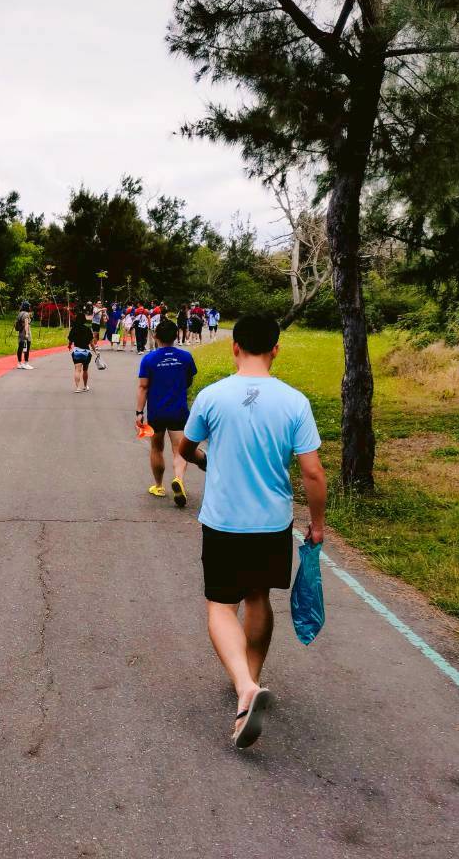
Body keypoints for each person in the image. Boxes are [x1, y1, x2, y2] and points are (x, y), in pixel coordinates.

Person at [176, 313, 327, 750]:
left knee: (222, 605)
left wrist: (203, 459)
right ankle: (252, 678)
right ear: (276, 349)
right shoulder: (294, 402)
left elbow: (186, 447)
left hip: (223, 521)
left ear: (234, 347)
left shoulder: (212, 396)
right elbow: (312, 472)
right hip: (272, 523)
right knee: (258, 597)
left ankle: (244, 686)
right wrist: (317, 525)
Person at [136, 318, 197, 506]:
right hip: (178, 410)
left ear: (155, 336)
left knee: (156, 448)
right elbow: (189, 380)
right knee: (179, 449)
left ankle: (159, 486)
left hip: (156, 412)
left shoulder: (148, 359)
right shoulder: (185, 357)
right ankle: (178, 479)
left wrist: (139, 412)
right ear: (176, 335)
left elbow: (143, 387)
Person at [67, 310, 97, 392]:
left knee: (77, 369)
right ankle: (85, 386)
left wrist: (69, 345)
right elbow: (91, 343)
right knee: (85, 370)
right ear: (84, 320)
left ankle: (77, 388)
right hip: (86, 351)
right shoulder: (87, 329)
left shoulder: (74, 329)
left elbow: (70, 340)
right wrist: (95, 351)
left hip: (77, 351)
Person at [15, 301, 34, 370]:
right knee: (26, 349)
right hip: (25, 334)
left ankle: (19, 363)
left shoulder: (20, 314)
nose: (29, 307)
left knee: (20, 348)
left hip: (20, 333)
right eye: (29, 306)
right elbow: (26, 325)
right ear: (27, 307)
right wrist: (27, 334)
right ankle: (26, 363)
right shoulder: (26, 314)